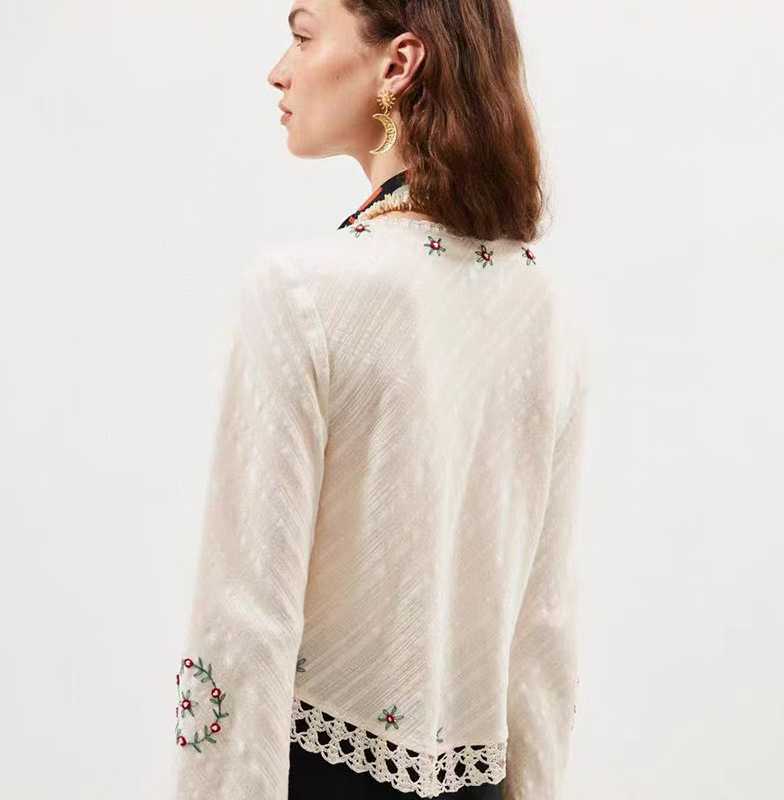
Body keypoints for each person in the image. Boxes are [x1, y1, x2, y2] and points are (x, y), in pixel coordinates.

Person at [171, 1, 591, 798]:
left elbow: (248, 617)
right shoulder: (545, 307)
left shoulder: (301, 292)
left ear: (398, 64)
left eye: (302, 36)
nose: (278, 71)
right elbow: (545, 631)